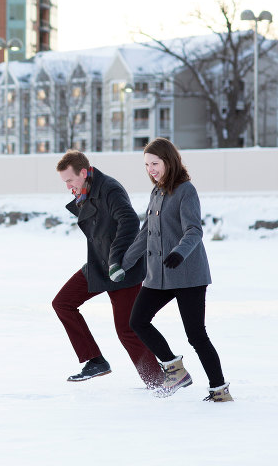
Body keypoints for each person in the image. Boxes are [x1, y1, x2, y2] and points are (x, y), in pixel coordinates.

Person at [120, 138, 233, 402]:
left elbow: (194, 230)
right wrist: (124, 264)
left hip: (188, 274)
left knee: (196, 334)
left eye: (155, 163)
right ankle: (175, 369)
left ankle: (219, 390)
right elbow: (146, 231)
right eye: (147, 164)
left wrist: (179, 253)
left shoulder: (185, 190)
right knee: (138, 321)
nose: (150, 169)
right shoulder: (157, 192)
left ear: (169, 161)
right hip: (159, 275)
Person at [53, 150, 163, 388]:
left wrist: (116, 261)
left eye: (70, 180)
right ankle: (95, 360)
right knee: (62, 302)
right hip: (98, 265)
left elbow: (131, 221)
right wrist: (80, 198)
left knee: (127, 329)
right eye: (65, 182)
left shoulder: (109, 188)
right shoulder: (87, 190)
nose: (68, 185)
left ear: (83, 173)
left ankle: (157, 380)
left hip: (122, 266)